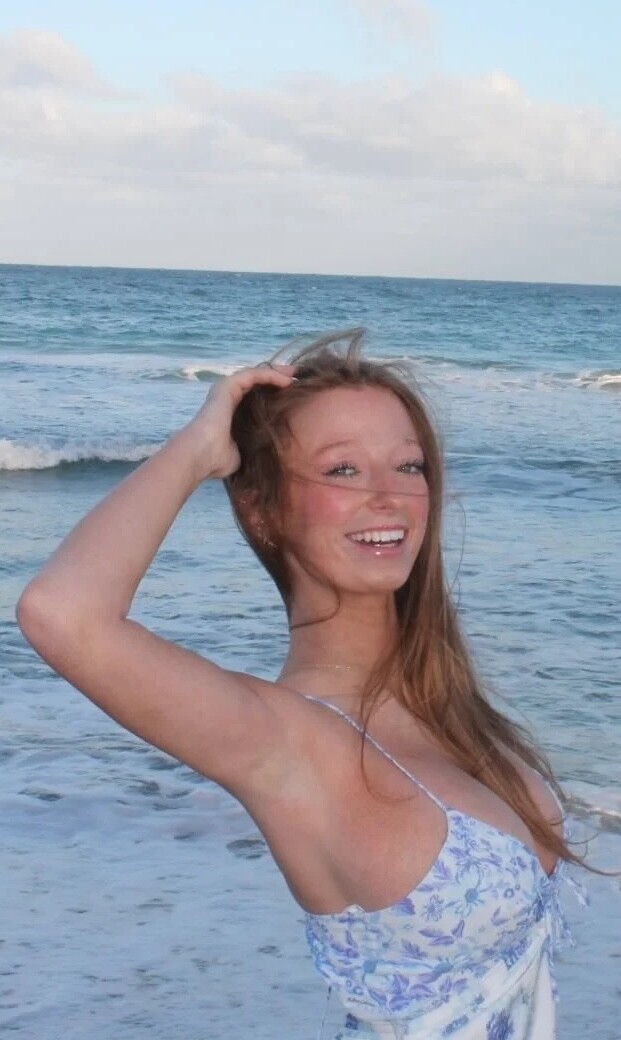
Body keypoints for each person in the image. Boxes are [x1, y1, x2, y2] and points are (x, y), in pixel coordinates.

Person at [17, 329, 587, 1039]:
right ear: (263, 511)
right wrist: (197, 450)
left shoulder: (445, 705)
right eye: (342, 470)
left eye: (408, 465)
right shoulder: (286, 739)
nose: (387, 495)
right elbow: (63, 615)